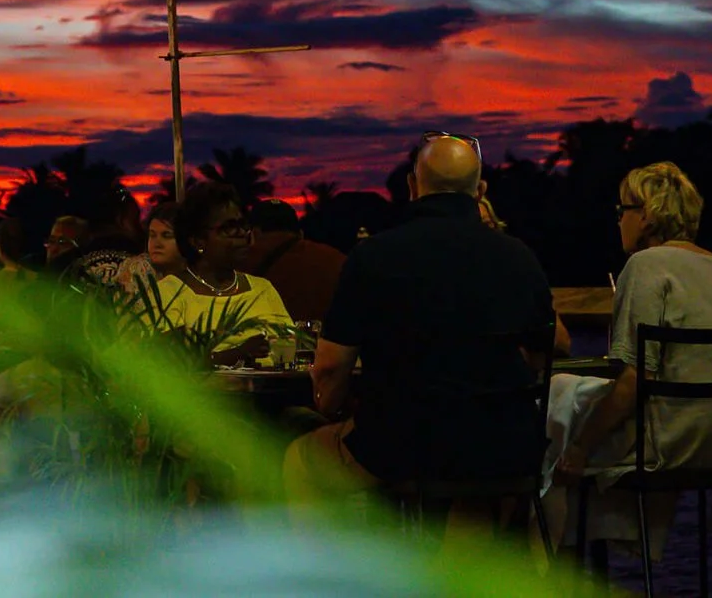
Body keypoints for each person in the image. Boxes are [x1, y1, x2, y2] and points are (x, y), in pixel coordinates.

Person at [282, 133, 553, 509]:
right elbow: (540, 355)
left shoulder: (373, 256)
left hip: (407, 446)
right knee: (475, 491)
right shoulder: (519, 257)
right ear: (480, 190)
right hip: (506, 446)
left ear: (413, 185)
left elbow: (329, 366)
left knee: (301, 458)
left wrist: (329, 408)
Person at [548, 161, 712, 547]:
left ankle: (546, 564)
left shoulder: (646, 265)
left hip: (671, 445)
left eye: (621, 211)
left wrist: (580, 448)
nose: (618, 222)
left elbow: (632, 382)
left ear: (645, 217)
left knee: (554, 408)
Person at [152, 184, 293, 363]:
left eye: (243, 225)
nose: (242, 234)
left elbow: (291, 348)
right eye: (230, 228)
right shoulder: (169, 293)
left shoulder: (262, 289)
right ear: (198, 241)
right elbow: (171, 366)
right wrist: (236, 354)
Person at [245, 198, 346, 326]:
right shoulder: (335, 259)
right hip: (324, 342)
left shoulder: (239, 264)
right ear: (300, 233)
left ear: (254, 233)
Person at [113, 199, 187, 303]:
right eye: (152, 235)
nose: (157, 243)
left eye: (166, 236)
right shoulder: (139, 269)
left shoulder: (198, 273)